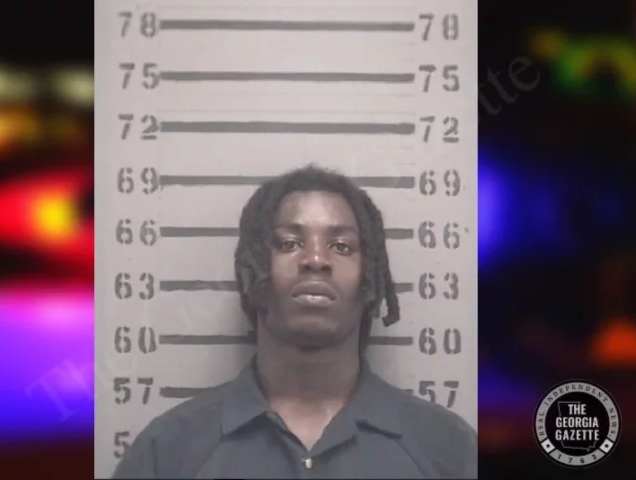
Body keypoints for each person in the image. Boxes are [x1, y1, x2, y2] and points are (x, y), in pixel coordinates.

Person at [111, 165, 477, 479]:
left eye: (342, 246)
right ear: (251, 270)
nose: (315, 259)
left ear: (371, 279)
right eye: (288, 243)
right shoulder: (170, 450)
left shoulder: (447, 448)